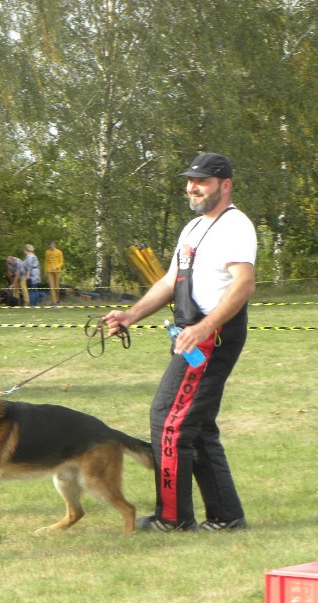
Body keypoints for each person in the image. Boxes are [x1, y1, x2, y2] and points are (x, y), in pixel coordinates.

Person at [103, 152, 255, 532]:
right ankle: (226, 517)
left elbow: (244, 284)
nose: (192, 187)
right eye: (190, 180)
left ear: (225, 185)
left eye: (201, 181)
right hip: (193, 334)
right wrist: (131, 315)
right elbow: (171, 282)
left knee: (168, 420)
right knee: (198, 426)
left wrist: (206, 328)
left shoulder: (235, 226)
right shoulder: (192, 228)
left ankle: (172, 519)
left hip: (212, 335)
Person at [44, 241, 64, 306]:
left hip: (57, 271)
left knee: (56, 287)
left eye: (51, 246)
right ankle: (54, 301)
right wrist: (45, 271)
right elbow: (46, 262)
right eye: (49, 247)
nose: (50, 248)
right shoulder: (47, 252)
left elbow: (61, 262)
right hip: (49, 271)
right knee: (51, 287)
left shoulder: (59, 252)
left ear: (54, 245)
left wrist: (56, 267)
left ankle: (57, 298)